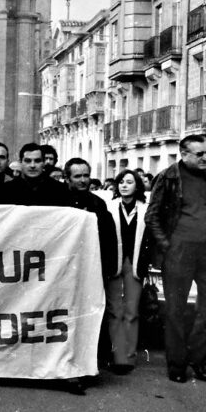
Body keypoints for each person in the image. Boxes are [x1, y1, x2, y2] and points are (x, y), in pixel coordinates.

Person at [145, 134, 206, 383]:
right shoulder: (168, 176)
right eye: (200, 153)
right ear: (184, 154)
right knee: (175, 310)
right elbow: (152, 216)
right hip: (179, 251)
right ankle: (177, 364)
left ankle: (198, 359)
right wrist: (167, 246)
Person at [63, 157, 119, 371]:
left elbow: (108, 238)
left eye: (86, 175)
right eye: (78, 176)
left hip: (91, 269)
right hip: (66, 270)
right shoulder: (59, 201)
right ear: (67, 178)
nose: (83, 180)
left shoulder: (98, 203)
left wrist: (109, 267)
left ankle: (93, 356)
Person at [104, 169, 150, 374]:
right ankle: (117, 355)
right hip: (115, 262)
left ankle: (129, 356)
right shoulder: (109, 207)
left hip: (135, 263)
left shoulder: (146, 209)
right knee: (115, 310)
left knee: (132, 310)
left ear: (137, 186)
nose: (124, 185)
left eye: (129, 182)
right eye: (121, 182)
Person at [0, 143, 71, 207]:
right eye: (28, 161)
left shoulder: (60, 190)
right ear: (20, 162)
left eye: (37, 161)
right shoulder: (6, 191)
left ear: (43, 162)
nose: (32, 165)